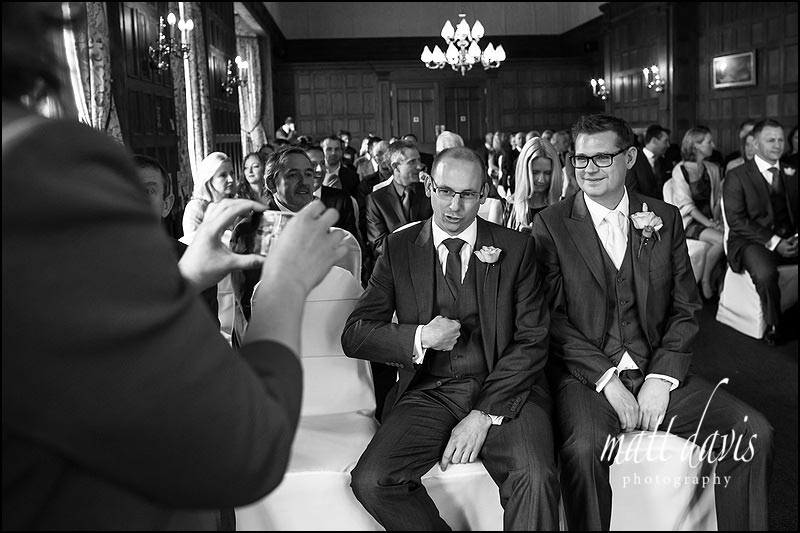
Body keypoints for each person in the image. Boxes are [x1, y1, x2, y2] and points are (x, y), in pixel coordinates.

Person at [2, 5, 351, 529]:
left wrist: (184, 278)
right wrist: (285, 278)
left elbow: (55, 344)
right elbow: (244, 449)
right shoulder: (39, 173)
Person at [531, 113, 773, 531]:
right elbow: (551, 321)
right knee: (583, 450)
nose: (588, 169)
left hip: (654, 368)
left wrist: (661, 378)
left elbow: (685, 307)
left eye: (601, 158)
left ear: (628, 157)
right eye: (579, 159)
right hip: (587, 378)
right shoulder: (551, 224)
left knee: (753, 433)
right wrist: (607, 380)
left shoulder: (663, 216)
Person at [342, 147, 559, 530]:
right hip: (431, 392)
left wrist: (483, 414)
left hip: (507, 391)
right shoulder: (398, 248)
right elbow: (355, 335)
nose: (454, 206)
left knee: (537, 477)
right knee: (372, 480)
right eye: (445, 191)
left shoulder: (517, 248)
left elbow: (532, 339)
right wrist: (420, 337)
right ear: (428, 186)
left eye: (467, 195)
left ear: (484, 193)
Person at [723, 118, 798, 345]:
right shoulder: (737, 176)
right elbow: (736, 221)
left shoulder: (791, 171)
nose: (777, 145)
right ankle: (775, 324)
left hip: (790, 237)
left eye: (780, 140)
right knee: (765, 274)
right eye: (770, 140)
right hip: (750, 241)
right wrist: (774, 242)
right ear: (754, 144)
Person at [663, 126, 724, 300]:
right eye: (708, 141)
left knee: (727, 238)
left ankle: (719, 284)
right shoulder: (680, 170)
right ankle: (705, 281)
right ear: (696, 145)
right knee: (721, 240)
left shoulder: (712, 168)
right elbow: (687, 206)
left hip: (708, 220)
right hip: (688, 222)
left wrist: (717, 220)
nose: (713, 145)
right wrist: (710, 224)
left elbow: (717, 200)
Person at [507, 137, 563, 233]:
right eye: (535, 172)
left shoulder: (563, 208)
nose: (541, 180)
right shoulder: (508, 207)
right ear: (524, 171)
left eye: (548, 173)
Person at [182, 152, 236, 236]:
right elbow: (192, 244)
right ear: (209, 179)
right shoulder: (196, 208)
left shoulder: (236, 202)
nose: (231, 179)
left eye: (232, 173)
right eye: (223, 175)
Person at [625, 124, 670, 199]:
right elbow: (631, 191)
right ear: (654, 141)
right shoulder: (633, 160)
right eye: (665, 141)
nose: (668, 145)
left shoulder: (664, 161)